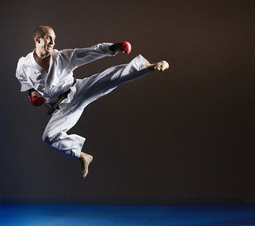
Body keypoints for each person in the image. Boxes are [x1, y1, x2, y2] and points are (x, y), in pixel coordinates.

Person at [16, 26, 169, 178]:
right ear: (38, 40)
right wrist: (33, 94)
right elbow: (25, 81)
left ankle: (148, 66)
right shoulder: (23, 65)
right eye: (49, 38)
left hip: (77, 90)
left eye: (54, 39)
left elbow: (87, 52)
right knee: (49, 137)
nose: (52, 42)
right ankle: (82, 155)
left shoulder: (61, 57)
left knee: (107, 79)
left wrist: (112, 48)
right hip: (62, 106)